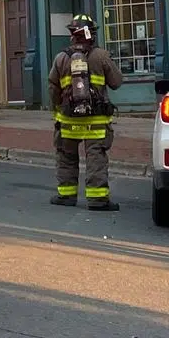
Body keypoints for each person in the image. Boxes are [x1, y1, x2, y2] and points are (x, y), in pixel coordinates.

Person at [48, 14, 121, 210]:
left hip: (68, 120)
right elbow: (117, 82)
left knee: (66, 157)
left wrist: (56, 110)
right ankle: (98, 200)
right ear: (92, 34)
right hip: (95, 123)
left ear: (72, 34)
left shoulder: (61, 57)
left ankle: (66, 196)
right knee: (95, 158)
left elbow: (53, 88)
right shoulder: (101, 56)